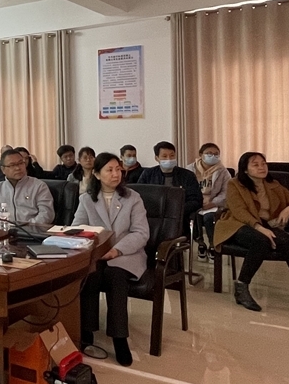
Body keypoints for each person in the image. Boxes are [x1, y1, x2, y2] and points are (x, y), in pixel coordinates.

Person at [74, 153, 149, 367]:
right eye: (109, 170)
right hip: (97, 253)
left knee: (115, 276)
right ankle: (86, 332)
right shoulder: (86, 199)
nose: (116, 174)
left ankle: (119, 338)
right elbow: (78, 228)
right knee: (90, 275)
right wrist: (95, 248)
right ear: (97, 174)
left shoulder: (132, 197)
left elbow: (141, 232)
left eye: (118, 169)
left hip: (127, 254)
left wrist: (117, 250)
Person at [213, 152, 289, 311]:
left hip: (265, 225)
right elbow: (239, 211)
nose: (261, 167)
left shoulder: (273, 184)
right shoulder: (234, 184)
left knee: (286, 241)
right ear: (245, 169)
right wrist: (260, 228)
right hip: (236, 224)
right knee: (261, 240)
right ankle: (242, 287)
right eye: (255, 164)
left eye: (263, 163)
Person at [138, 141, 203, 237]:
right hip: (153, 216)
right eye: (164, 156)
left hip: (180, 216)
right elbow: (139, 196)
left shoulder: (187, 175)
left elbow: (196, 200)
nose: (169, 159)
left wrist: (176, 209)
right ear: (156, 158)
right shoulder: (148, 174)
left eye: (172, 156)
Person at [186, 142, 232, 259]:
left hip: (214, 204)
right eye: (209, 153)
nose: (213, 156)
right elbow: (186, 189)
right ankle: (200, 243)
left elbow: (226, 192)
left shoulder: (223, 171)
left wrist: (212, 203)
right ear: (201, 154)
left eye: (216, 154)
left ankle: (213, 244)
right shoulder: (190, 169)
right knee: (191, 216)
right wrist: (195, 201)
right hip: (195, 202)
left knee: (209, 218)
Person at [0, 148, 54, 224]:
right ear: (3, 169)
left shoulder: (39, 186)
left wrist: (25, 226)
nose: (18, 168)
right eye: (12, 165)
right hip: (4, 229)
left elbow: (47, 215)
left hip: (32, 230)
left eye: (21, 163)